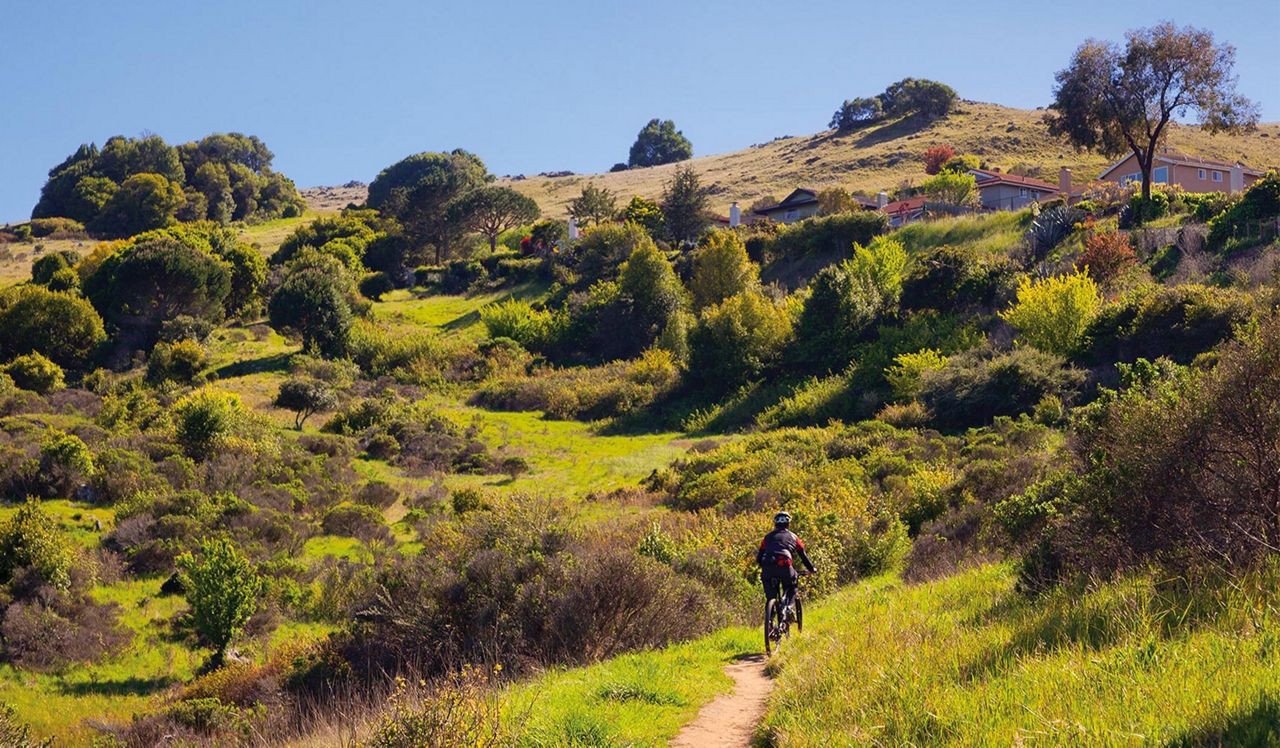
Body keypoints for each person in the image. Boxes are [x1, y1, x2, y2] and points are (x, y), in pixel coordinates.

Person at [757, 511, 816, 625]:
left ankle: (769, 622)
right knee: (792, 585)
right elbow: (803, 556)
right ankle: (788, 607)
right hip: (785, 565)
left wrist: (765, 568)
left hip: (768, 567)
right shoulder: (794, 537)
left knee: (771, 597)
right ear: (788, 525)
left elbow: (759, 558)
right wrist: (811, 569)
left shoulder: (767, 538)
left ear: (775, 525)